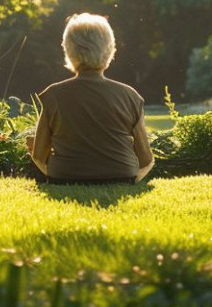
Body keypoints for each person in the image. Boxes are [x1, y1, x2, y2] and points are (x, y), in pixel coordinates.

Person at [25, 13, 155, 184]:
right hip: (122, 176)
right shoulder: (130, 95)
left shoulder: (54, 95)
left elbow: (39, 156)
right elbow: (145, 160)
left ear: (68, 50)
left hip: (65, 178)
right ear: (109, 50)